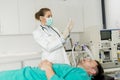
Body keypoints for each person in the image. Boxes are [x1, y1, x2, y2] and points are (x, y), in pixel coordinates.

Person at [0, 59, 104, 80]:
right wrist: (47, 65)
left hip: (26, 77)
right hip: (28, 73)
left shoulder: (82, 75)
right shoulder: (76, 70)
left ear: (92, 71)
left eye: (89, 61)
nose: (85, 59)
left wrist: (48, 67)